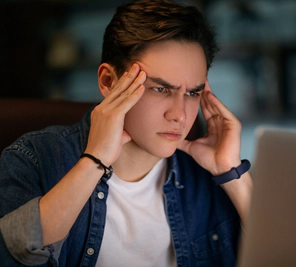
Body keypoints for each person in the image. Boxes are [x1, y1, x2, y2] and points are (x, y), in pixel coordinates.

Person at [0, 0, 253, 266]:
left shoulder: (212, 178)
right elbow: (13, 256)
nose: (179, 115)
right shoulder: (31, 159)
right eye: (160, 89)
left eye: (192, 93)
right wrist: (95, 160)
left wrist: (232, 173)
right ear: (108, 82)